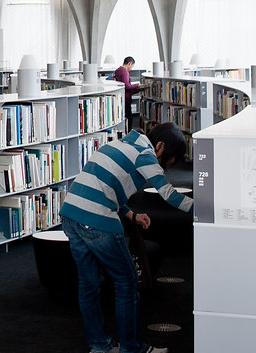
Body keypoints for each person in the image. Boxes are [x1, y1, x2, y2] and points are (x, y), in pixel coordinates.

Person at [59, 122, 193, 353]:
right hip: (98, 221)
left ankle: (100, 346)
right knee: (127, 282)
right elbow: (169, 194)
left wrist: (131, 215)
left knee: (89, 284)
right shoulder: (146, 154)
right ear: (160, 145)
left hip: (71, 216)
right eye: (167, 159)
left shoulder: (121, 144)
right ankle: (132, 348)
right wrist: (203, 210)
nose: (163, 166)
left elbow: (108, 186)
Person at [114, 56, 141, 123]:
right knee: (129, 118)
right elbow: (127, 86)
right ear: (129, 63)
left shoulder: (117, 70)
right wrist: (137, 86)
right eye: (132, 66)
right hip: (126, 98)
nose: (131, 69)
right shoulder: (124, 71)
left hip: (120, 96)